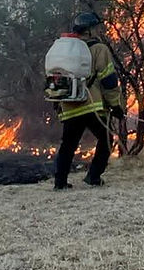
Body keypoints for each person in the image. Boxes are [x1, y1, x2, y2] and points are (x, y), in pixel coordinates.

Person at [53, 12, 123, 190]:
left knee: (68, 144)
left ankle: (59, 183)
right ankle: (93, 176)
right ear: (89, 31)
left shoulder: (65, 49)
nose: (99, 30)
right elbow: (108, 79)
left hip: (68, 104)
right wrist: (115, 105)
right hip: (91, 105)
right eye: (96, 27)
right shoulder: (99, 49)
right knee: (106, 138)